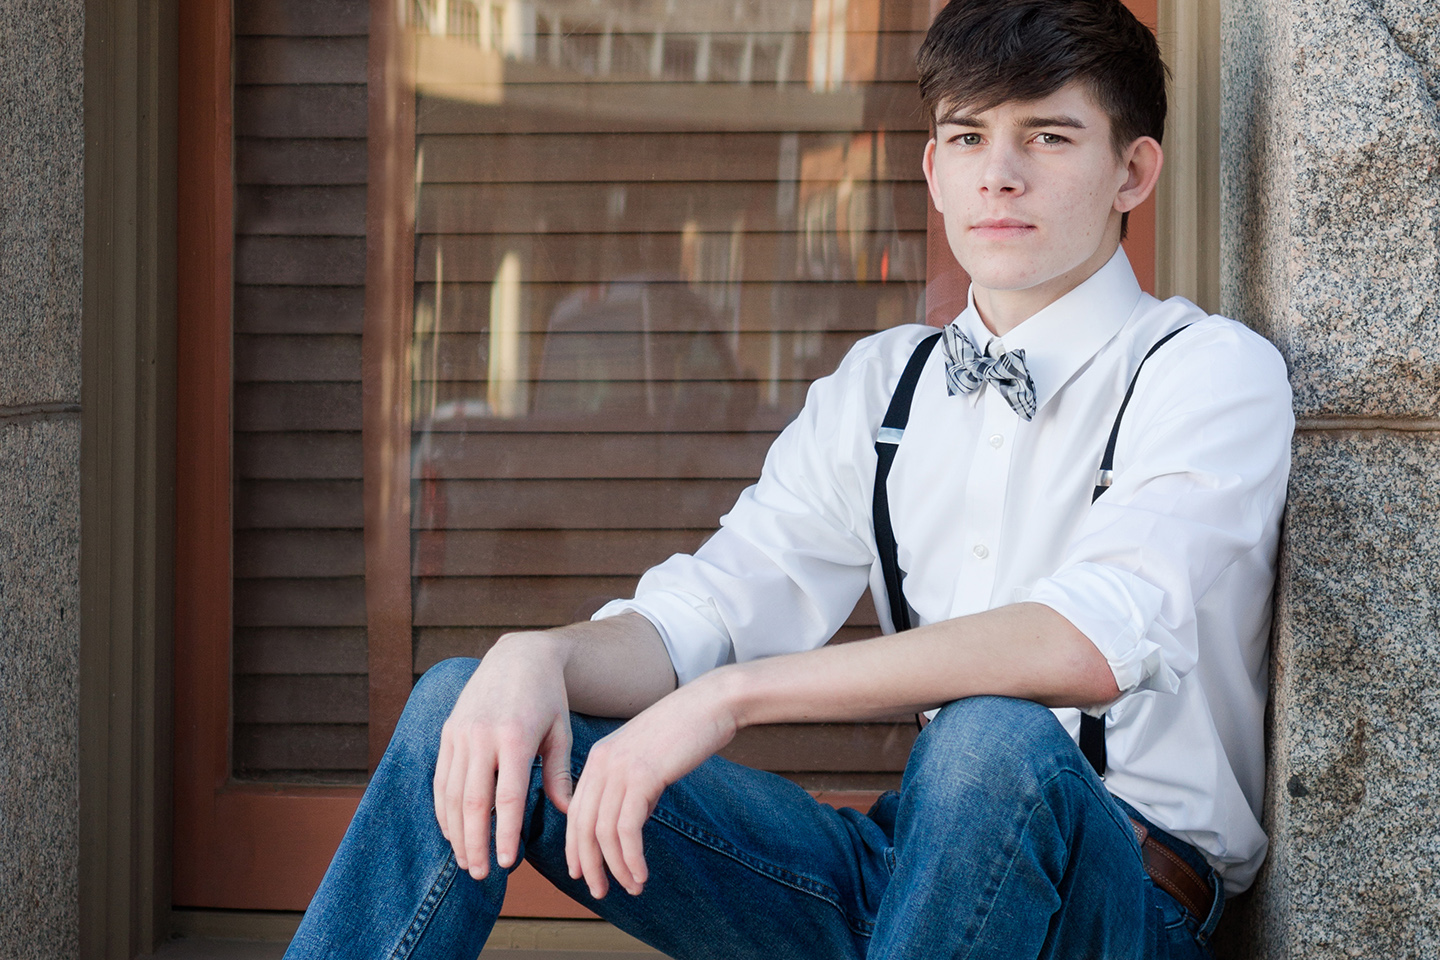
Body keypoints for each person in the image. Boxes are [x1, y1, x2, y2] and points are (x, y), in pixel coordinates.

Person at [284, 1, 1293, 957]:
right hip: (906, 877)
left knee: (992, 738)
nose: (1000, 175)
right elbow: (710, 611)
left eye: (1049, 137)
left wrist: (731, 699)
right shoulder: (882, 385)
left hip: (1120, 906)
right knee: (465, 704)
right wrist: (537, 656)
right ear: (934, 171)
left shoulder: (1209, 371)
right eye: (969, 137)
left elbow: (1091, 640)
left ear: (1133, 173)